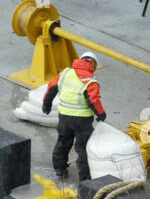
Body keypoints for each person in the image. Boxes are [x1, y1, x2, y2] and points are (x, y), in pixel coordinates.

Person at [42, 51, 106, 181]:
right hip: (82, 121)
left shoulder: (65, 73)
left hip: (64, 117)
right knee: (83, 148)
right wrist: (101, 114)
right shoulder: (90, 81)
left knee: (63, 141)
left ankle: (59, 169)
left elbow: (52, 87)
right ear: (93, 64)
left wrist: (46, 103)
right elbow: (93, 100)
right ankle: (85, 178)